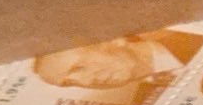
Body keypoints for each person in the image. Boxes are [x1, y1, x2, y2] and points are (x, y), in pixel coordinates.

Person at [30, 34, 185, 90]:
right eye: (69, 83)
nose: (86, 82)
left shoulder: (186, 40)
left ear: (113, 40)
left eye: (79, 67)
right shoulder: (144, 103)